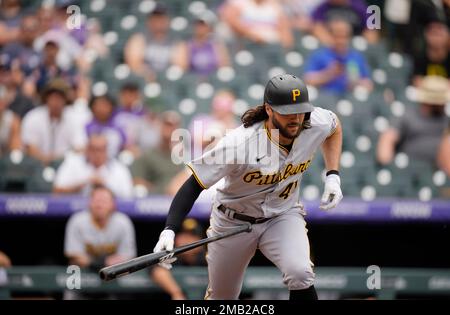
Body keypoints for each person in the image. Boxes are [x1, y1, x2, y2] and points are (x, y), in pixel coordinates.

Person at [153, 74, 343, 300]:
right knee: (223, 299)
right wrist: (170, 229)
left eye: (300, 110)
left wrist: (333, 175)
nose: (296, 118)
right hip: (233, 221)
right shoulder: (239, 142)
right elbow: (193, 185)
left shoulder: (314, 122)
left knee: (300, 273)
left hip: (282, 215)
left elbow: (335, 126)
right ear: (269, 110)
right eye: (287, 112)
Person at [377, 75, 450, 166]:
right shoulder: (408, 116)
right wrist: (389, 166)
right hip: (410, 167)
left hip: (440, 168)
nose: (442, 105)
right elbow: (388, 138)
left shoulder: (446, 120)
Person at [21, 78, 86, 165]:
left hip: (64, 166)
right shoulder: (33, 117)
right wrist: (46, 160)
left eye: (60, 97)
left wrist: (56, 160)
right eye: (53, 97)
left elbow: (80, 148)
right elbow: (30, 148)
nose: (56, 101)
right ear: (46, 98)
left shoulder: (74, 118)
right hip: (36, 165)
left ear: (66, 99)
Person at [304, 18, 372, 95]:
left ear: (349, 38)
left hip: (350, 98)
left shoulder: (356, 57)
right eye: (337, 36)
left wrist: (354, 80)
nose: (341, 41)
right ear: (331, 36)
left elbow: (368, 84)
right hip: (325, 99)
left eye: (344, 37)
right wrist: (328, 74)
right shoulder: (319, 55)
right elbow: (308, 79)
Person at [53, 134, 133, 198]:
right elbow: (57, 191)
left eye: (101, 150)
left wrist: (104, 186)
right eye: (94, 149)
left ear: (107, 151)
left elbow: (128, 198)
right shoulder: (72, 163)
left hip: (109, 214)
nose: (97, 154)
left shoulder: (119, 169)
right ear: (87, 150)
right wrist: (85, 183)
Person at [173, 12, 230, 77]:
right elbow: (181, 66)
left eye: (203, 25)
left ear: (210, 27)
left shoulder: (216, 45)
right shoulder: (186, 45)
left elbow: (224, 65)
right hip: (192, 79)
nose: (200, 28)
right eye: (198, 24)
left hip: (212, 78)